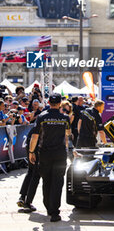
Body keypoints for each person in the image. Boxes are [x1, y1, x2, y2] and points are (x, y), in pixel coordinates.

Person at [29, 93, 70, 222]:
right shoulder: (65, 118)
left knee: (46, 181)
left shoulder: (42, 117)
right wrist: (68, 150)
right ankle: (54, 212)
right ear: (59, 104)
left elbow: (35, 136)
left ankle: (48, 207)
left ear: (49, 103)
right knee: (57, 182)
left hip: (45, 153)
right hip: (60, 154)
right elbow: (67, 135)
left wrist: (31, 152)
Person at [17, 126, 40, 213]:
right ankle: (27, 202)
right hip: (35, 146)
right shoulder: (44, 118)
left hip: (30, 145)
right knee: (35, 174)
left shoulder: (40, 118)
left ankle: (22, 197)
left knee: (30, 172)